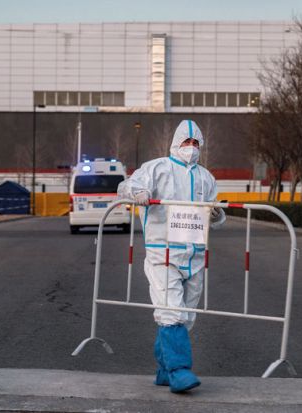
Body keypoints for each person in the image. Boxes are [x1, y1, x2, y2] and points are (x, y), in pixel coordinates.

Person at [117, 119, 226, 393]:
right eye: (186, 142)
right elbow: (125, 186)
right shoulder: (157, 168)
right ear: (175, 143)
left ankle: (165, 370)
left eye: (195, 143)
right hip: (162, 254)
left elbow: (216, 212)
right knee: (170, 310)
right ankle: (179, 371)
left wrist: (217, 214)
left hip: (195, 256)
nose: (190, 147)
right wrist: (137, 193)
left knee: (186, 317)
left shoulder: (206, 177)